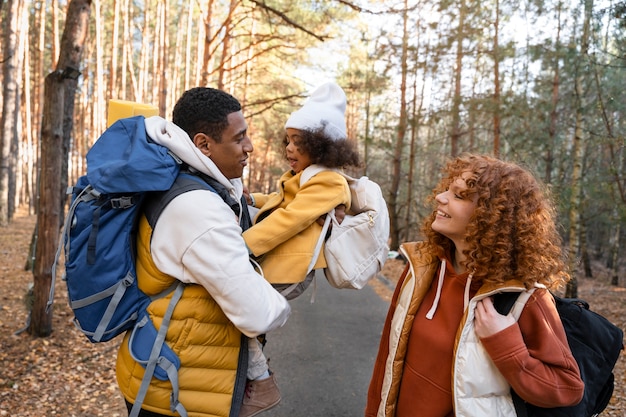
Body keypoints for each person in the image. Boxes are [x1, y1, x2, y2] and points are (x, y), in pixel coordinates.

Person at [114, 87, 291, 417]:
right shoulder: (197, 208)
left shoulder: (184, 180)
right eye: (239, 138)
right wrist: (278, 297)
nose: (249, 147)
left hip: (166, 368)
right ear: (203, 144)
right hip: (177, 390)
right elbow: (258, 313)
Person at [365, 154, 584, 417]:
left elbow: (568, 387)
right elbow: (388, 360)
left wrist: (506, 344)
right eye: (447, 189)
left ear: (490, 216)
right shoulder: (422, 267)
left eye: (458, 195)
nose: (441, 197)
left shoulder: (524, 296)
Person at [238, 81, 361, 416]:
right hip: (277, 261)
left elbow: (290, 219)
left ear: (322, 147)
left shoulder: (328, 181)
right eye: (287, 140)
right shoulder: (305, 175)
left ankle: (261, 381)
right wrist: (251, 200)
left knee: (233, 305)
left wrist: (239, 248)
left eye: (298, 142)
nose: (289, 149)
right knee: (237, 310)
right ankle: (252, 374)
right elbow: (279, 202)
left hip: (290, 269)